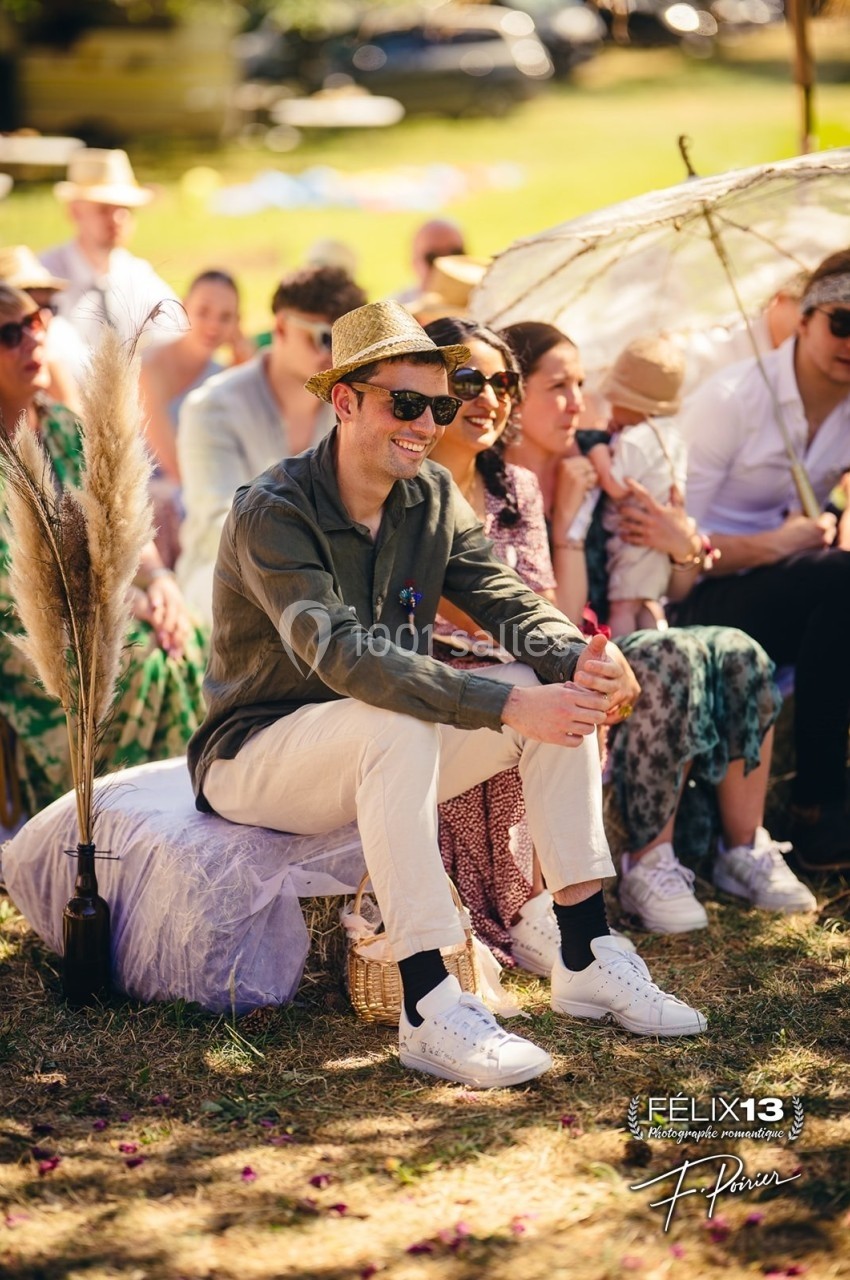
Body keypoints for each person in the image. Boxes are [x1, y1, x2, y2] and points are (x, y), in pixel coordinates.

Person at [188, 300, 707, 1090]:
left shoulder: (429, 494)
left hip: (371, 737)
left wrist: (583, 660)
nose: (426, 423)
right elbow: (347, 658)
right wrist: (498, 705)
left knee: (547, 684)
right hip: (256, 754)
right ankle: (430, 1006)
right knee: (399, 717)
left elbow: (505, 597)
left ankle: (583, 951)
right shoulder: (274, 510)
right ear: (345, 401)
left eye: (436, 406)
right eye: (405, 403)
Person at [501, 319, 817, 934]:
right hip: (570, 646)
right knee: (666, 653)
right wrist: (567, 519)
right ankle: (648, 859)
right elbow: (554, 625)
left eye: (581, 384)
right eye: (557, 386)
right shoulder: (503, 485)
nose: (576, 401)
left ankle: (742, 849)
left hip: (631, 622)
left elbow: (675, 586)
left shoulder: (606, 455)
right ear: (514, 393)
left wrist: (680, 546)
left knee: (740, 650)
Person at [671, 248, 850, 873]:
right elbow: (675, 549)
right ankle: (817, 806)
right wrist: (779, 545)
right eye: (841, 321)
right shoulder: (731, 400)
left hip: (798, 587)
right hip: (705, 591)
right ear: (803, 319)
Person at [0, 284, 207, 824]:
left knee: (191, 640)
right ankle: (119, 824)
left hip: (108, 607)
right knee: (142, 662)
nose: (31, 342)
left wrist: (160, 582)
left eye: (37, 323)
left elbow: (118, 522)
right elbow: (10, 580)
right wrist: (116, 603)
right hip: (31, 634)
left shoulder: (67, 427)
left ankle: (181, 820)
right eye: (9, 334)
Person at [175, 265, 367, 626]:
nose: (336, 354)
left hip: (331, 578)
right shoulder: (212, 408)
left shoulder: (351, 407)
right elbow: (226, 525)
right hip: (225, 578)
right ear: (280, 327)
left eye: (346, 342)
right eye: (325, 337)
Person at [577, 334, 689, 637]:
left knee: (623, 607)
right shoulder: (672, 436)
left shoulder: (635, 440)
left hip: (633, 538)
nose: (611, 410)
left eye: (615, 402)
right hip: (658, 544)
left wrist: (600, 453)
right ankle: (657, 643)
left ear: (630, 403)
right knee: (647, 601)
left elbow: (616, 486)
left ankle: (628, 652)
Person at [40, 148, 177, 371]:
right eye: (103, 209)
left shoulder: (137, 274)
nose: (117, 218)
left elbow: (173, 336)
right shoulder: (45, 275)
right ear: (75, 212)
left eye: (125, 209)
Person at [0, 244, 87, 414]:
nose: (45, 320)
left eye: (50, 308)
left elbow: (76, 424)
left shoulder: (61, 338)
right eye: (33, 311)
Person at [393, 218, 466, 305]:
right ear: (414, 264)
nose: (446, 268)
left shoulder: (482, 301)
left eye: (456, 254)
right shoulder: (396, 310)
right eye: (432, 258)